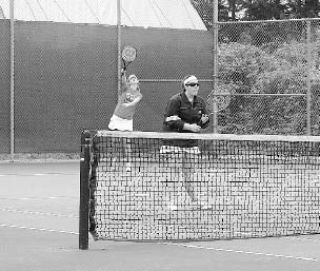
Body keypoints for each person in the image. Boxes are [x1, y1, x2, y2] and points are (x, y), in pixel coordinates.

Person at [161, 75, 210, 210]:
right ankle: (171, 201)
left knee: (189, 173)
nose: (196, 87)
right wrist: (190, 127)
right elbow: (170, 121)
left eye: (197, 84)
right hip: (173, 142)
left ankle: (194, 199)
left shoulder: (200, 102)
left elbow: (204, 120)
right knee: (174, 172)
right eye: (192, 84)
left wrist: (202, 123)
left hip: (190, 143)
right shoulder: (175, 101)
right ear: (185, 86)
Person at [108, 71, 142, 171]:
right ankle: (114, 162)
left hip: (127, 121)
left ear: (137, 82)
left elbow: (135, 102)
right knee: (115, 142)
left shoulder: (139, 95)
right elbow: (123, 81)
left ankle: (128, 164)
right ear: (129, 82)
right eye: (131, 78)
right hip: (117, 118)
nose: (133, 78)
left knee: (126, 143)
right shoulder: (125, 89)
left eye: (134, 78)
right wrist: (123, 74)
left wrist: (128, 105)